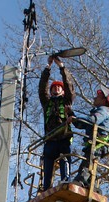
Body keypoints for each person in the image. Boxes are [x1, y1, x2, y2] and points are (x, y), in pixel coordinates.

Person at [37, 55, 74, 191]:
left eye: (59, 87)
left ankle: (65, 182)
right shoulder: (47, 103)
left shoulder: (66, 101)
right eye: (54, 87)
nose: (56, 89)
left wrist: (61, 67)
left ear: (62, 91)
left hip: (64, 137)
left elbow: (69, 86)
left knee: (65, 160)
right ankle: (46, 187)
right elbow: (42, 88)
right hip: (50, 139)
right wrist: (48, 68)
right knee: (48, 164)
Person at [70, 87, 109, 187]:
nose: (95, 98)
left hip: (97, 143)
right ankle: (92, 185)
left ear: (104, 100)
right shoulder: (100, 111)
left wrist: (76, 118)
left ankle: (80, 181)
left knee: (87, 163)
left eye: (98, 97)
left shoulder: (103, 110)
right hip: (94, 143)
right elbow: (81, 125)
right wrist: (71, 115)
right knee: (90, 163)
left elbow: (93, 120)